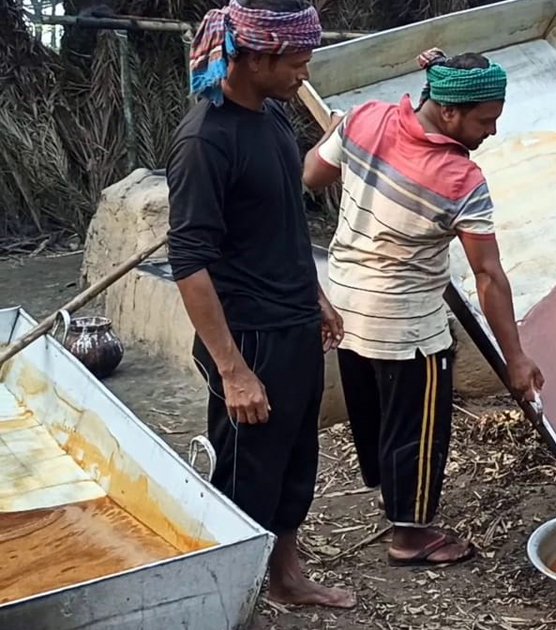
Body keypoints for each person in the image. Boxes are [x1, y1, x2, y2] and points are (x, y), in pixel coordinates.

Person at [301, 48, 544, 566]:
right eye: (485, 120)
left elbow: (311, 176)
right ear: (450, 111)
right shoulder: (461, 179)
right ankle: (410, 537)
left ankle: (391, 502)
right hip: (406, 326)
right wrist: (516, 358)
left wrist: (337, 133)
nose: (492, 132)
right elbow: (487, 275)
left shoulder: (365, 118)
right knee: (417, 428)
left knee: (378, 415)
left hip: (346, 307)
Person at [166, 0, 355, 609]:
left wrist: (314, 295)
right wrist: (232, 369)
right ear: (255, 58)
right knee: (246, 472)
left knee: (295, 458)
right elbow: (188, 262)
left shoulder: (272, 117)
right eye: (296, 62)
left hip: (292, 323)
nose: (305, 73)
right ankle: (230, 601)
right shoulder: (205, 141)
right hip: (248, 336)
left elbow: (283, 222)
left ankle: (284, 578)